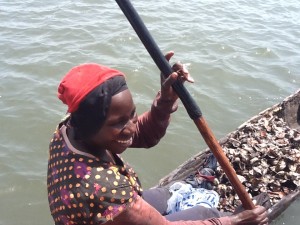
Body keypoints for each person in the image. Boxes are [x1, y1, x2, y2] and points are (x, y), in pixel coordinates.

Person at [47, 52, 269, 225]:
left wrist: (165, 99)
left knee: (166, 192)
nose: (130, 127)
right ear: (89, 127)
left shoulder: (70, 130)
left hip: (108, 208)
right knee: (206, 212)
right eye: (118, 123)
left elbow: (144, 135)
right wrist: (233, 221)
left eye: (132, 114)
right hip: (106, 207)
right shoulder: (101, 187)